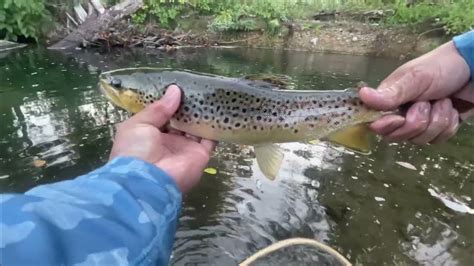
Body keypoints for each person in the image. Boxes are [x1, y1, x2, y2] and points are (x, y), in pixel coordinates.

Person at [0, 30, 472, 265]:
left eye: (119, 85)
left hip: (311, 115)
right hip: (308, 120)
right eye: (120, 84)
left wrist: (461, 65)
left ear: (154, 100)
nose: (111, 85)